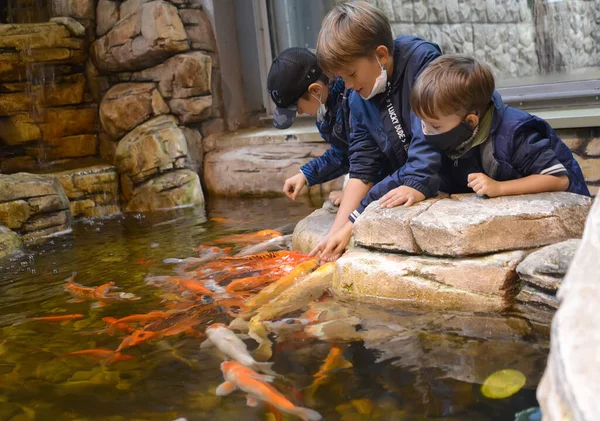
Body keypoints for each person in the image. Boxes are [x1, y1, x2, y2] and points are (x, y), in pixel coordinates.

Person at [313, 1, 444, 261]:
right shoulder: (357, 97)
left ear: (381, 55)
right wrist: (335, 233)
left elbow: (428, 145)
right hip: (404, 177)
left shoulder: (424, 65)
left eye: (351, 74)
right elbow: (362, 168)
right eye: (342, 79)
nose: (348, 87)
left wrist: (352, 224)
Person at [409, 54, 589, 198]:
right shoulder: (452, 133)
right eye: (422, 122)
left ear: (471, 121)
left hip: (567, 217)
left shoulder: (514, 134)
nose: (426, 131)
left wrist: (499, 188)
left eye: (435, 127)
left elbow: (559, 180)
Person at [267, 47, 351, 206]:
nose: (299, 112)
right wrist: (305, 175)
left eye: (297, 107)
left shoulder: (352, 99)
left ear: (315, 90)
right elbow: (343, 154)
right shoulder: (325, 107)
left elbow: (372, 154)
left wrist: (358, 193)